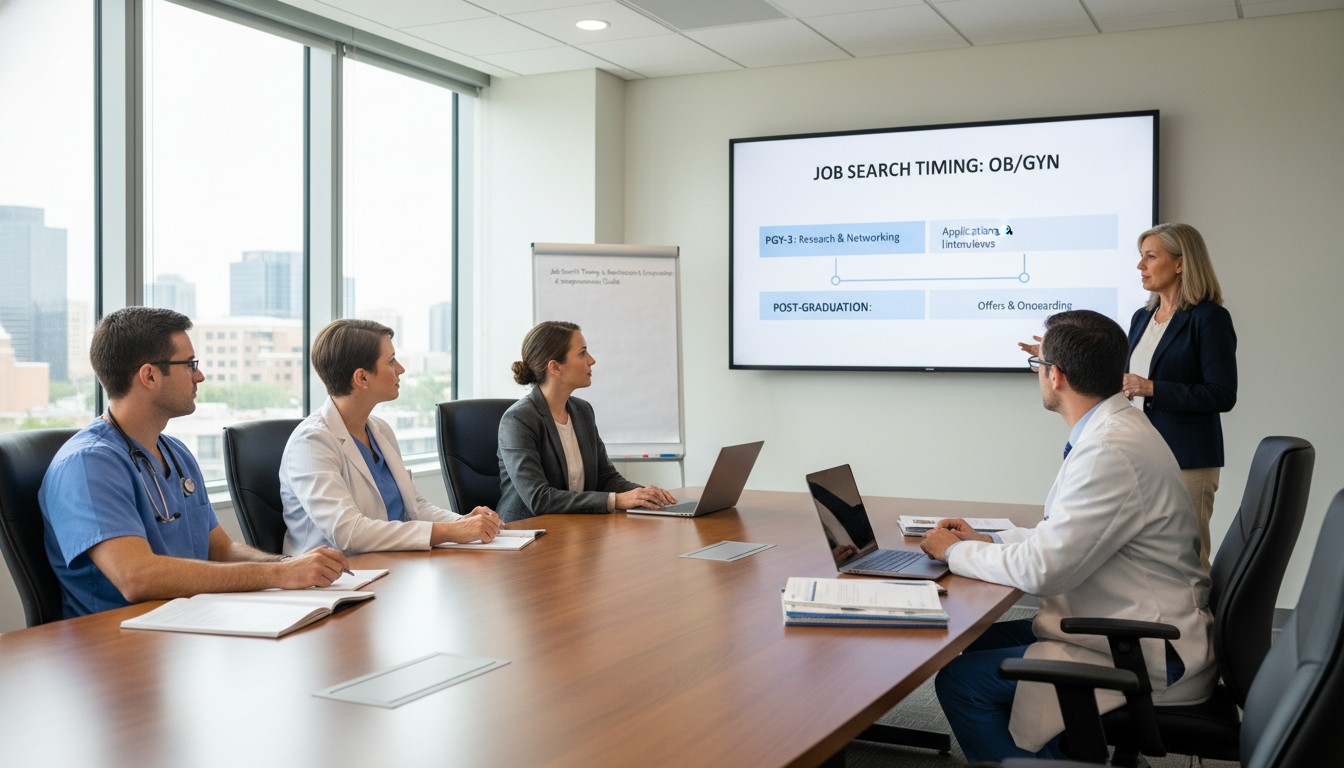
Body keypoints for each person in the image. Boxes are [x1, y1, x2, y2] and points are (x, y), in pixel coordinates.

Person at [927, 309, 1214, 764]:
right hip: (1129, 623)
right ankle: (1068, 747)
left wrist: (956, 551)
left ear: (1055, 376)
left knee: (960, 682)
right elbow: (1063, 535)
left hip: (1144, 649)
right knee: (974, 640)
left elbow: (1044, 570)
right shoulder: (1117, 428)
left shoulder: (1108, 450)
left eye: (1037, 366)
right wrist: (990, 542)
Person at [39, 307, 349, 619]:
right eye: (190, 365)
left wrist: (288, 564)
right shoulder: (87, 464)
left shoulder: (175, 452)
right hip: (117, 643)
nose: (199, 375)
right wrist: (277, 577)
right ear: (149, 375)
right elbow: (137, 577)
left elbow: (221, 550)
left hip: (189, 625)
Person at [280, 319, 501, 554]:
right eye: (391, 361)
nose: (401, 369)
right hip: (338, 580)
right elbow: (349, 533)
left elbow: (414, 507)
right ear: (362, 378)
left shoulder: (380, 430)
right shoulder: (311, 443)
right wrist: (452, 532)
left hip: (391, 567)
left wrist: (464, 523)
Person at [496, 320, 677, 523]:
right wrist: (617, 500)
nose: (591, 360)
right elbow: (539, 499)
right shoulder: (518, 420)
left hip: (576, 529)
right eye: (582, 353)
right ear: (555, 367)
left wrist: (644, 495)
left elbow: (605, 478)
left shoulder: (583, 411)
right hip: (528, 534)